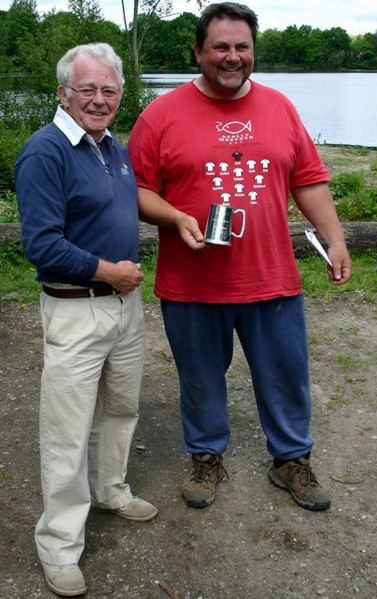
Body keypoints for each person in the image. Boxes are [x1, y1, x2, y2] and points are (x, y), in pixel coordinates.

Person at [128, 2, 352, 514]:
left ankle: (290, 459)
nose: (233, 57)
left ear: (253, 50)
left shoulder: (280, 107)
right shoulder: (160, 115)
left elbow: (309, 179)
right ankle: (206, 455)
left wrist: (334, 238)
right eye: (221, 47)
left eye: (242, 47)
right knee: (200, 376)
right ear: (198, 51)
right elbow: (136, 189)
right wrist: (177, 218)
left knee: (287, 373)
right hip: (191, 284)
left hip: (271, 277)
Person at [15, 43, 157, 597]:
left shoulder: (109, 147)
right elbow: (43, 246)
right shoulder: (44, 152)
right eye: (87, 89)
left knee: (121, 407)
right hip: (76, 309)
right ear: (63, 94)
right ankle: (58, 543)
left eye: (109, 90)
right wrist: (110, 272)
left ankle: (111, 490)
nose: (99, 100)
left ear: (120, 95)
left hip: (124, 307)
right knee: (66, 431)